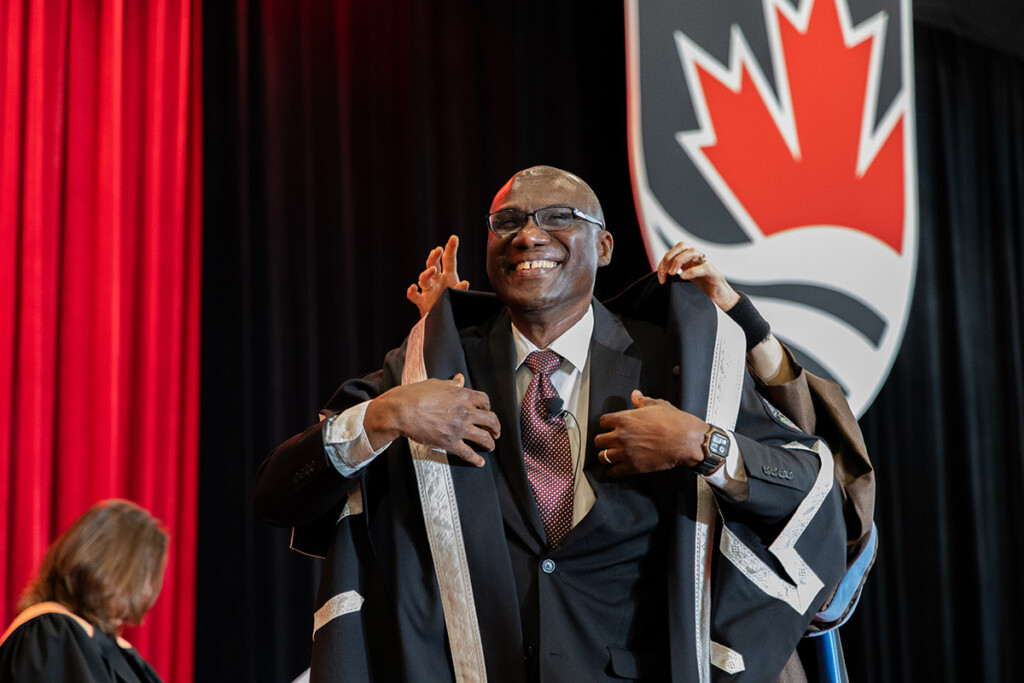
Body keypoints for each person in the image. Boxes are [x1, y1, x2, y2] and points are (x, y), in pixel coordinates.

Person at [253, 166, 851, 681]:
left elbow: (813, 486)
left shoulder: (677, 365)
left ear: (607, 246)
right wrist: (386, 415)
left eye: (558, 216)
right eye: (507, 222)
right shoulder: (431, 368)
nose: (528, 235)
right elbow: (280, 493)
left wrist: (702, 443)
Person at [0, 499, 168, 683]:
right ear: (110, 567)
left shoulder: (118, 651)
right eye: (141, 576)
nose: (146, 590)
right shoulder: (51, 635)